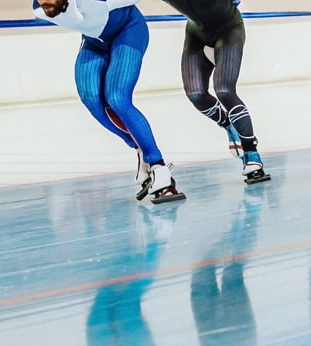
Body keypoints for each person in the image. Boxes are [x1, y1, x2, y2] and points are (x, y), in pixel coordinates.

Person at [32, 0, 185, 204]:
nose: (43, 1)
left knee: (117, 98)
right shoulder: (39, 9)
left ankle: (158, 166)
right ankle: (139, 146)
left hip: (128, 30)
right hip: (95, 42)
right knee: (91, 98)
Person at [159, 0, 270, 185]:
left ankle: (251, 150)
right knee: (195, 94)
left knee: (224, 90)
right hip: (197, 32)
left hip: (228, 28)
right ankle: (229, 125)